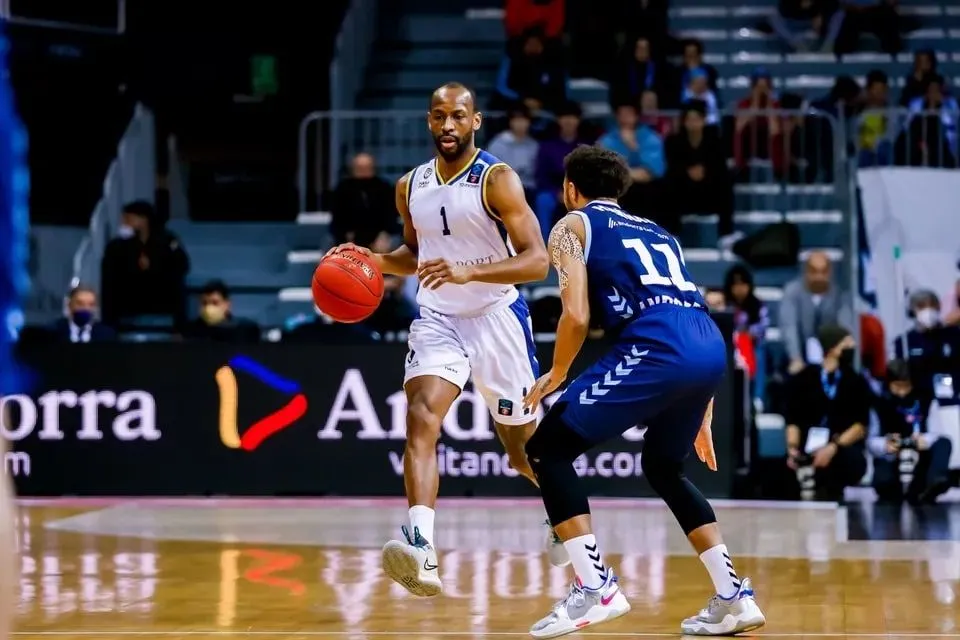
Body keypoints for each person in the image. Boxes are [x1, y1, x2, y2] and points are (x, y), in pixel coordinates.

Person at [521, 146, 765, 637]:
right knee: (663, 467)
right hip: (706, 344)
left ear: (570, 188)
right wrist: (702, 405)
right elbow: (686, 305)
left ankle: (596, 588)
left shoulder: (571, 227)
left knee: (547, 449)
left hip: (659, 345)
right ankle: (734, 597)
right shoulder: (660, 232)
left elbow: (576, 315)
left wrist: (559, 370)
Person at [326, 83, 557, 598]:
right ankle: (422, 547)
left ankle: (563, 508)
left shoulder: (497, 179)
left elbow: (538, 262)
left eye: (457, 115)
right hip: (438, 318)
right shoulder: (409, 185)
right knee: (421, 415)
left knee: (521, 453)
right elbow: (416, 254)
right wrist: (368, 261)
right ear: (428, 121)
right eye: (438, 116)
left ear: (475, 121)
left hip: (497, 318)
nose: (447, 125)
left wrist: (468, 271)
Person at [783, 325, 869, 501]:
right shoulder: (804, 378)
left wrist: (833, 447)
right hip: (807, 444)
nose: (852, 347)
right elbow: (793, 418)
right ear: (832, 348)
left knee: (852, 461)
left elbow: (860, 425)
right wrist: (793, 448)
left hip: (838, 446)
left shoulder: (855, 380)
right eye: (846, 343)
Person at [870, 359, 952, 504]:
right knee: (885, 484)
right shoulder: (878, 402)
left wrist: (924, 440)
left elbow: (937, 433)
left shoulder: (926, 399)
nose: (902, 392)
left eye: (906, 386)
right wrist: (885, 444)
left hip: (920, 450)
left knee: (944, 443)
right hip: (890, 453)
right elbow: (871, 439)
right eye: (897, 386)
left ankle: (934, 481)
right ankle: (889, 486)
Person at [181, 280, 261, 343]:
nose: (209, 307)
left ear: (227, 305)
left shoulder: (243, 330)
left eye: (215, 303)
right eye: (204, 303)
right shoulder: (189, 332)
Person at [49, 285, 117, 343]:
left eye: (91, 305)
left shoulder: (106, 334)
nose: (86, 308)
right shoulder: (53, 332)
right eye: (80, 304)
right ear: (70, 305)